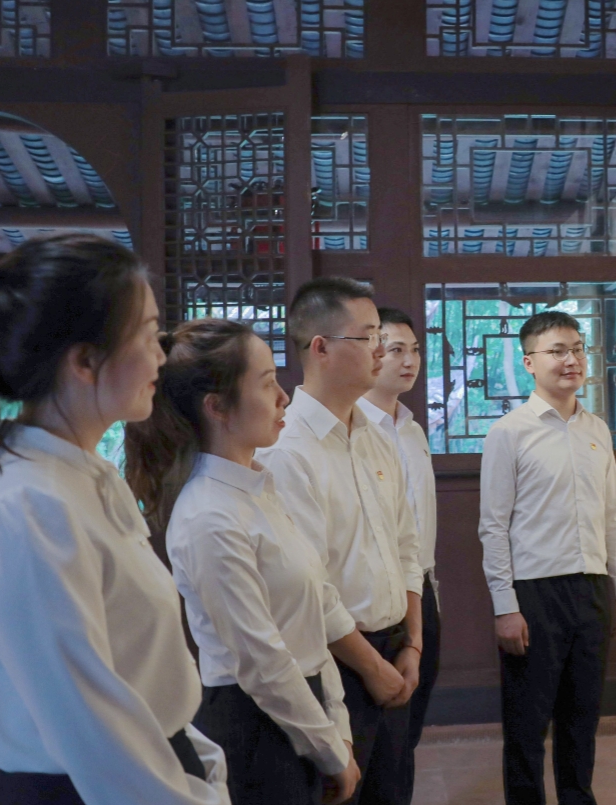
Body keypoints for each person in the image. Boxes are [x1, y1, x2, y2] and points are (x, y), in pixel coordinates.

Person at [0, 235, 230, 805]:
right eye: (147, 334)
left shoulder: (82, 477)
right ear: (84, 361)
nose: (161, 356)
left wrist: (199, 758)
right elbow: (92, 730)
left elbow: (136, 675)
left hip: (147, 769)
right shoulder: (28, 505)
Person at [123, 318, 362, 805]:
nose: (284, 398)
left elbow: (312, 613)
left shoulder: (258, 487)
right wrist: (329, 749)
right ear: (217, 407)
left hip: (303, 709)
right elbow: (261, 661)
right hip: (256, 726)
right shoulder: (209, 514)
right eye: (267, 383)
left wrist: (337, 723)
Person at [257, 277, 423, 805]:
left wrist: (413, 643)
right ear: (321, 348)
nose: (381, 349)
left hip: (395, 650)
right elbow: (309, 587)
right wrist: (372, 669)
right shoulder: (286, 448)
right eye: (368, 336)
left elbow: (407, 546)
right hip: (338, 663)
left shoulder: (376, 436)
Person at [479, 310, 616, 805]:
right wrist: (505, 606)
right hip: (534, 593)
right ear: (529, 362)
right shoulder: (509, 432)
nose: (571, 360)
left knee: (581, 718)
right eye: (557, 351)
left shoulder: (597, 429)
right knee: (527, 723)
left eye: (577, 349)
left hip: (591, 588)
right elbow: (493, 526)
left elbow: (614, 515)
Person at [355, 307, 439, 801]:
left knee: (408, 733)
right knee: (376, 742)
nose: (409, 361)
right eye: (396, 349)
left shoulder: (412, 429)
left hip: (420, 587)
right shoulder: (352, 428)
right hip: (375, 597)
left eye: (415, 350)